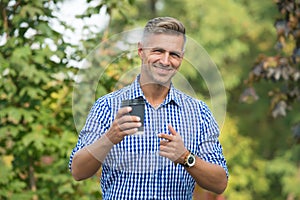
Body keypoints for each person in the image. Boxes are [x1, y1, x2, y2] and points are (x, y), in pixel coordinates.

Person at [69, 16, 228, 199]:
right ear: (141, 51)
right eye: (158, 51)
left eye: (174, 54)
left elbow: (219, 183)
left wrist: (185, 157)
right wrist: (110, 137)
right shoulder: (107, 106)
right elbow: (78, 171)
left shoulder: (198, 113)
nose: (166, 61)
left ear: (181, 58)